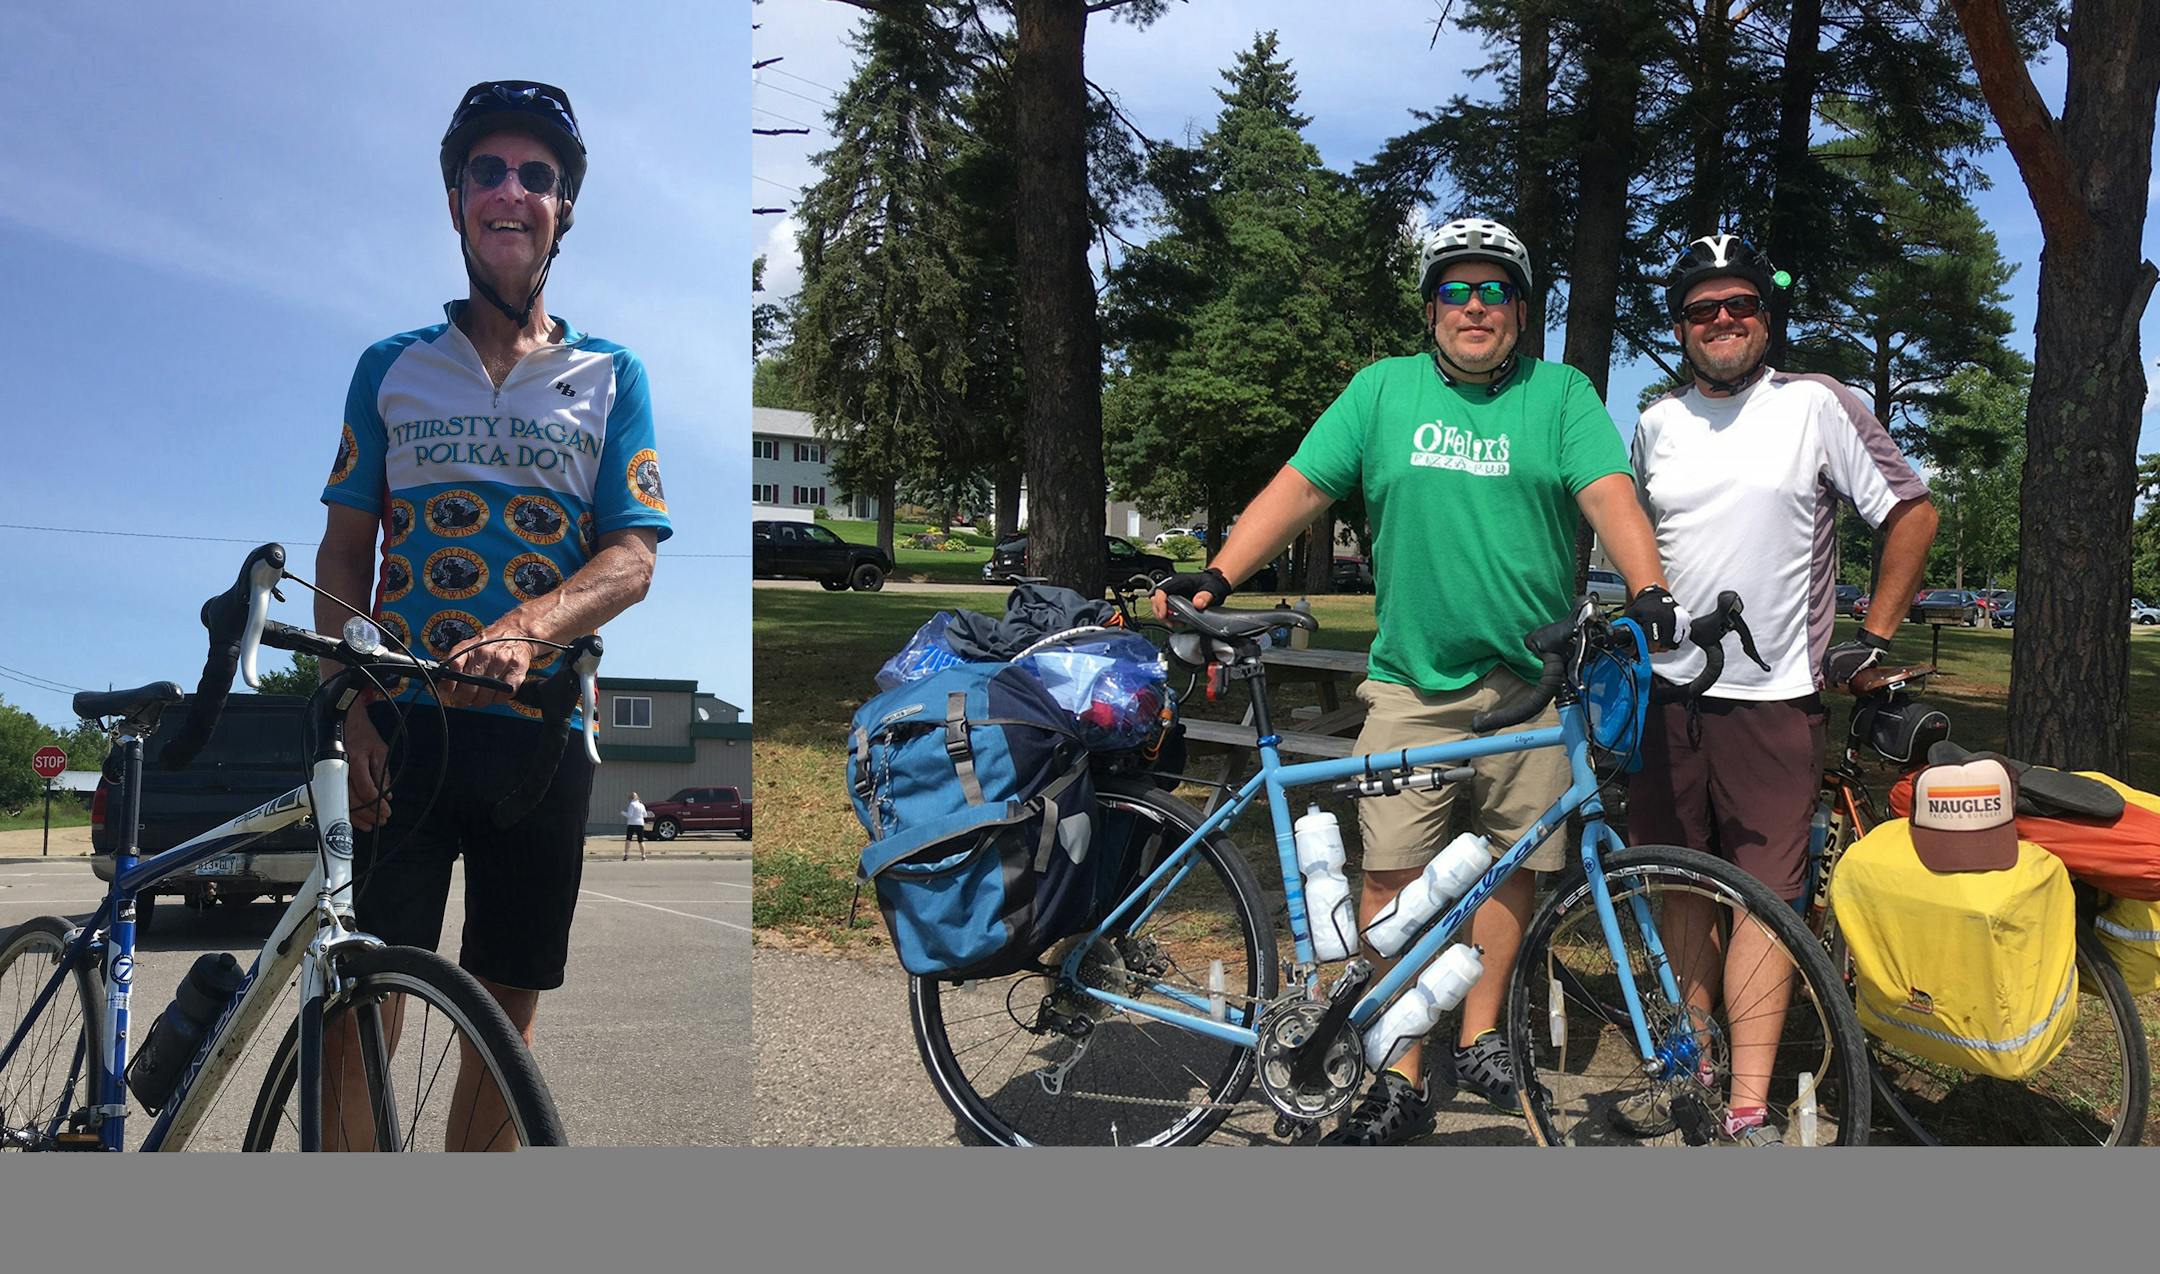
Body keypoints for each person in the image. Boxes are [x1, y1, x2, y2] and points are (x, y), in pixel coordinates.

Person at [1153, 217, 1681, 1146]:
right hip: (1411, 681)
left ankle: (1480, 1034)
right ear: (1432, 308)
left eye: (1494, 291)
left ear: (1521, 310)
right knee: (1395, 874)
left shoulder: (1559, 393)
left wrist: (1648, 588)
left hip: (1533, 678)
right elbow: (1302, 487)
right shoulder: (1382, 390)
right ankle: (1395, 1070)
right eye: (1455, 291)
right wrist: (1218, 574)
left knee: (1518, 862)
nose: (1475, 307)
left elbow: (1608, 492)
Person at [315, 80, 672, 1148]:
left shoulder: (613, 374)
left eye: (536, 176)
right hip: (401, 728)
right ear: (456, 200)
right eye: (487, 171)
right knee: (360, 1005)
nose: (510, 191)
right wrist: (346, 705)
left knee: (502, 1017)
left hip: (542, 732)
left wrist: (528, 628)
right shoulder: (390, 368)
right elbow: (344, 550)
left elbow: (632, 557)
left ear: (563, 210)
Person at [1620, 232, 1937, 1143]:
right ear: (1680, 326)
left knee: (1765, 898)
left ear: (1767, 316)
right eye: (1702, 309)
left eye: (1740, 305)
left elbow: (1912, 511)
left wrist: (1871, 636)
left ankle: (1749, 1104)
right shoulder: (1656, 422)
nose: (1722, 321)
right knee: (1681, 885)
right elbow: (1635, 536)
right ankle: (1688, 1072)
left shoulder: (1815, 403)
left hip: (1774, 697)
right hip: (1663, 697)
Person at [623, 792, 649, 860]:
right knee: (641, 840)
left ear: (631, 798)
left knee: (628, 839)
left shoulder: (632, 804)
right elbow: (645, 815)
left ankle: (626, 855)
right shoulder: (641, 805)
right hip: (640, 824)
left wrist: (623, 813)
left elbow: (629, 815)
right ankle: (643, 856)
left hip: (632, 823)